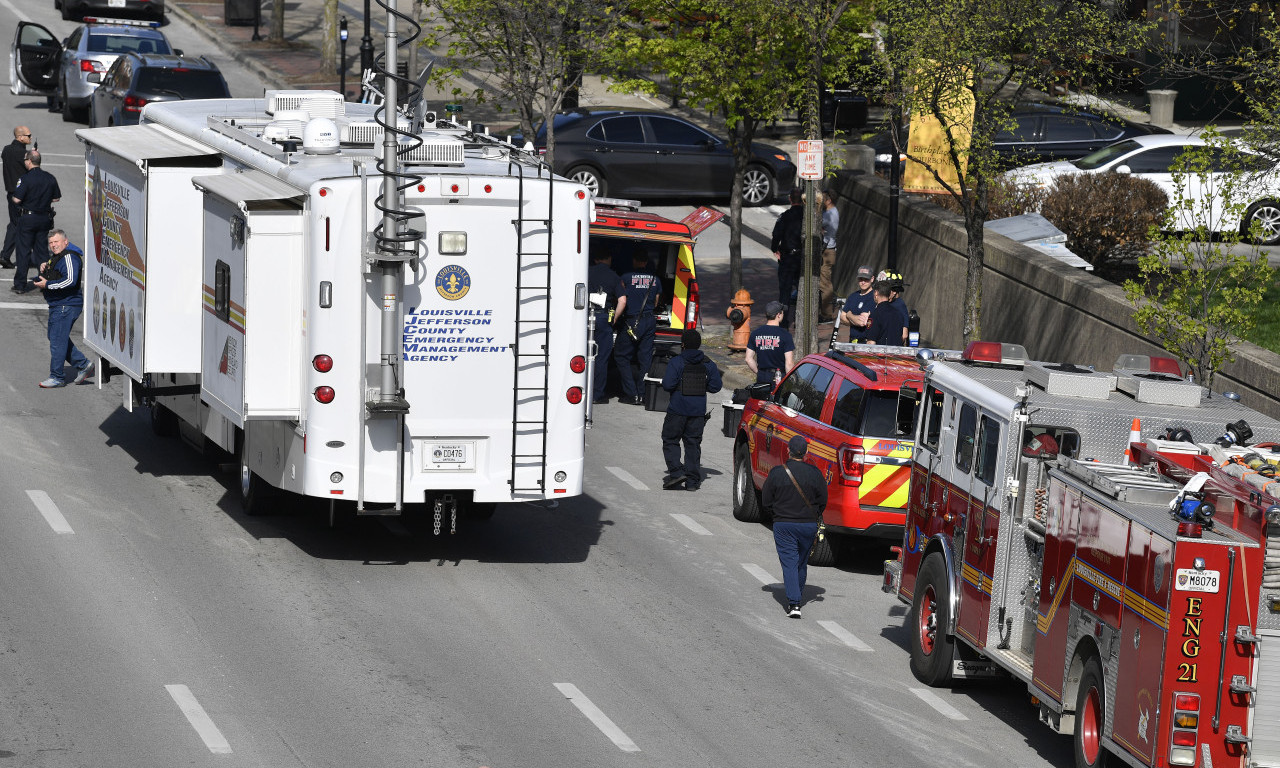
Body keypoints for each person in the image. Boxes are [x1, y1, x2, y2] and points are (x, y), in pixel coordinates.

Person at [762, 435, 827, 618]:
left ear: (787, 451)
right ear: (806, 453)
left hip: (784, 524)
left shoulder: (777, 473)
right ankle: (797, 594)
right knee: (801, 562)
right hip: (808, 525)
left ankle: (794, 603)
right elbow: (823, 501)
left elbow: (766, 501)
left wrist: (776, 515)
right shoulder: (815, 474)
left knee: (789, 563)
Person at [660, 329, 722, 491]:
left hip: (677, 410)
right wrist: (702, 385)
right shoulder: (708, 363)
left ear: (683, 345)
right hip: (697, 412)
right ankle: (692, 481)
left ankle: (676, 472)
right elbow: (716, 387)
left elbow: (667, 385)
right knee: (693, 444)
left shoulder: (677, 362)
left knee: (671, 440)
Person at [33, 230, 91, 388]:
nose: (53, 245)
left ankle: (57, 377)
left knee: (57, 341)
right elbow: (58, 275)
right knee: (56, 338)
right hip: (58, 303)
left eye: (56, 242)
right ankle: (83, 364)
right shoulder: (58, 256)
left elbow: (70, 281)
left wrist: (47, 285)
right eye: (51, 243)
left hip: (67, 304)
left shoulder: (70, 257)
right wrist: (45, 268)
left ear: (66, 241)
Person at [11, 151, 59, 295]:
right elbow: (56, 198)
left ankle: (20, 285)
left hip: (28, 218)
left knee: (23, 252)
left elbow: (16, 200)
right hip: (44, 218)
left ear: (30, 161)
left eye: (25, 159)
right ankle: (44, 282)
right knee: (42, 252)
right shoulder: (50, 178)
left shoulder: (25, 178)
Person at [613, 252, 658, 406]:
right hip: (649, 320)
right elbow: (657, 301)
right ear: (646, 262)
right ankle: (643, 394)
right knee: (645, 359)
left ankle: (631, 394)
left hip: (631, 321)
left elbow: (620, 298)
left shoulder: (625, 277)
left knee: (621, 356)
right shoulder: (655, 279)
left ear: (634, 260)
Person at [587, 250, 620, 404]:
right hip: (603, 318)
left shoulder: (585, 272)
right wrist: (613, 319)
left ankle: (581, 390)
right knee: (601, 358)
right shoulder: (614, 276)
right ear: (609, 259)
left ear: (595, 260)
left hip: (584, 317)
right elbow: (623, 301)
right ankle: (596, 395)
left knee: (581, 355)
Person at [770, 188, 805, 325]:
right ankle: (800, 320)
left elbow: (776, 235)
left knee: (785, 291)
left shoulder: (785, 216)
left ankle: (783, 321)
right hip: (802, 258)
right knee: (802, 290)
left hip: (787, 258)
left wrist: (774, 249)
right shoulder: (808, 217)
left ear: (790, 199)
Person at [1, 126, 33, 269]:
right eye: (28, 135)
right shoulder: (24, 154)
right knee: (23, 224)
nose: (30, 138)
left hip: (11, 192)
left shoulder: (6, 150)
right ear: (20, 137)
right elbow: (33, 169)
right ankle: (6, 255)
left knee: (15, 223)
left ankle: (6, 255)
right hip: (23, 195)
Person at [745, 300, 795, 385]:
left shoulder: (756, 333)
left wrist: (759, 372)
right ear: (778, 315)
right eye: (782, 313)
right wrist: (790, 380)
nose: (783, 315)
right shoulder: (785, 335)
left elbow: (748, 359)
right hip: (779, 376)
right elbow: (789, 363)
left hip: (762, 376)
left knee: (761, 398)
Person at [818, 191, 840, 322]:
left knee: (825, 283)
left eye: (823, 199)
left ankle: (827, 315)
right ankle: (824, 312)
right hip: (828, 250)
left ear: (829, 200)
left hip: (827, 251)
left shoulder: (830, 215)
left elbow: (819, 224)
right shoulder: (829, 213)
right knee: (823, 281)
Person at [840, 265, 876, 343]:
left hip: (866, 343)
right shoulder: (852, 296)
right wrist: (854, 320)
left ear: (872, 279)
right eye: (860, 279)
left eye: (866, 279)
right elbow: (842, 318)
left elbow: (861, 322)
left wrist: (849, 315)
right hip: (852, 342)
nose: (863, 282)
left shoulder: (874, 297)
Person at [866, 281, 906, 346]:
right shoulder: (899, 314)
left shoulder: (875, 314)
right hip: (896, 354)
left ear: (876, 293)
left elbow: (871, 342)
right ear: (889, 293)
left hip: (882, 354)